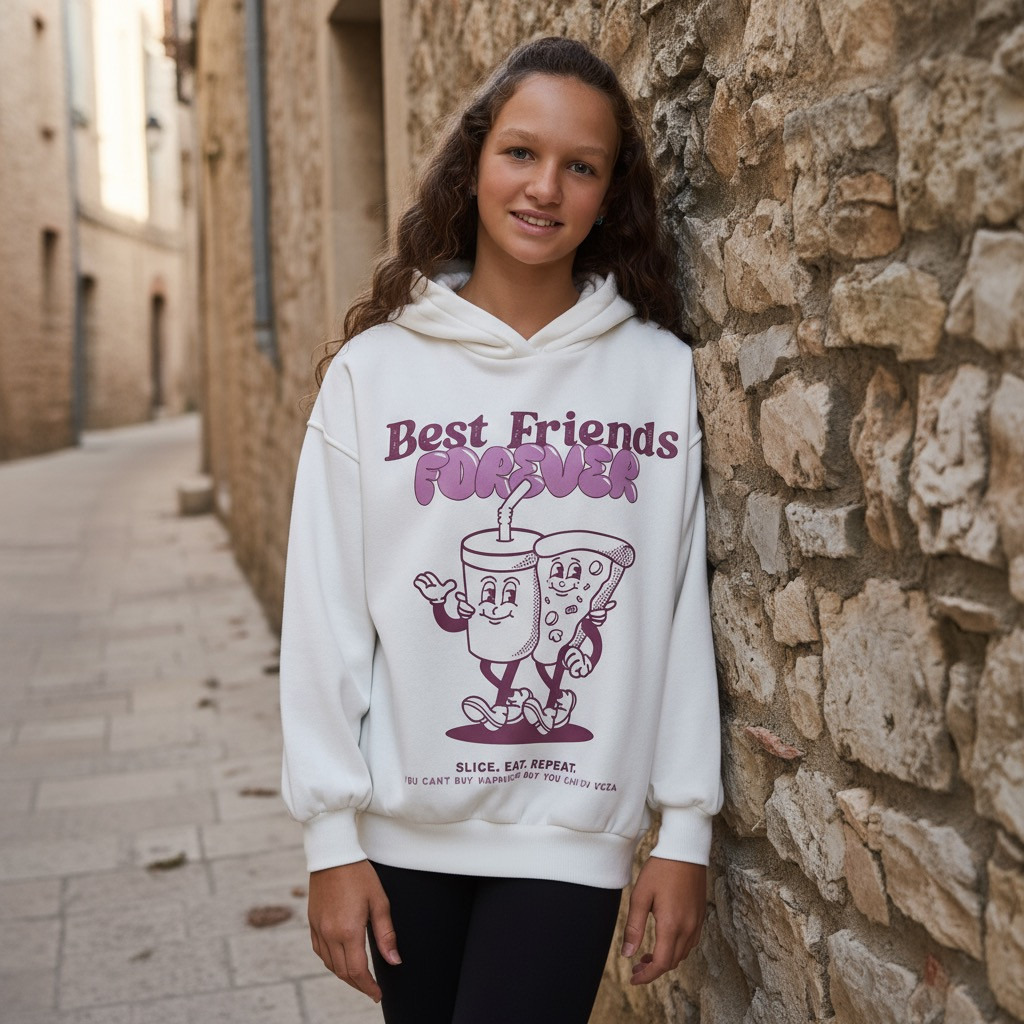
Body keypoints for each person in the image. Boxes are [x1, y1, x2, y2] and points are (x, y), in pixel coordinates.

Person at [279, 35, 724, 1024]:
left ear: (609, 194)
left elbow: (674, 612)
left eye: (581, 166)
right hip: (400, 833)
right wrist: (330, 840)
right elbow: (324, 611)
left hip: (570, 833)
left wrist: (686, 828)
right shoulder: (374, 373)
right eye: (521, 152)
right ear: (474, 161)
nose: (544, 187)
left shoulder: (655, 375)